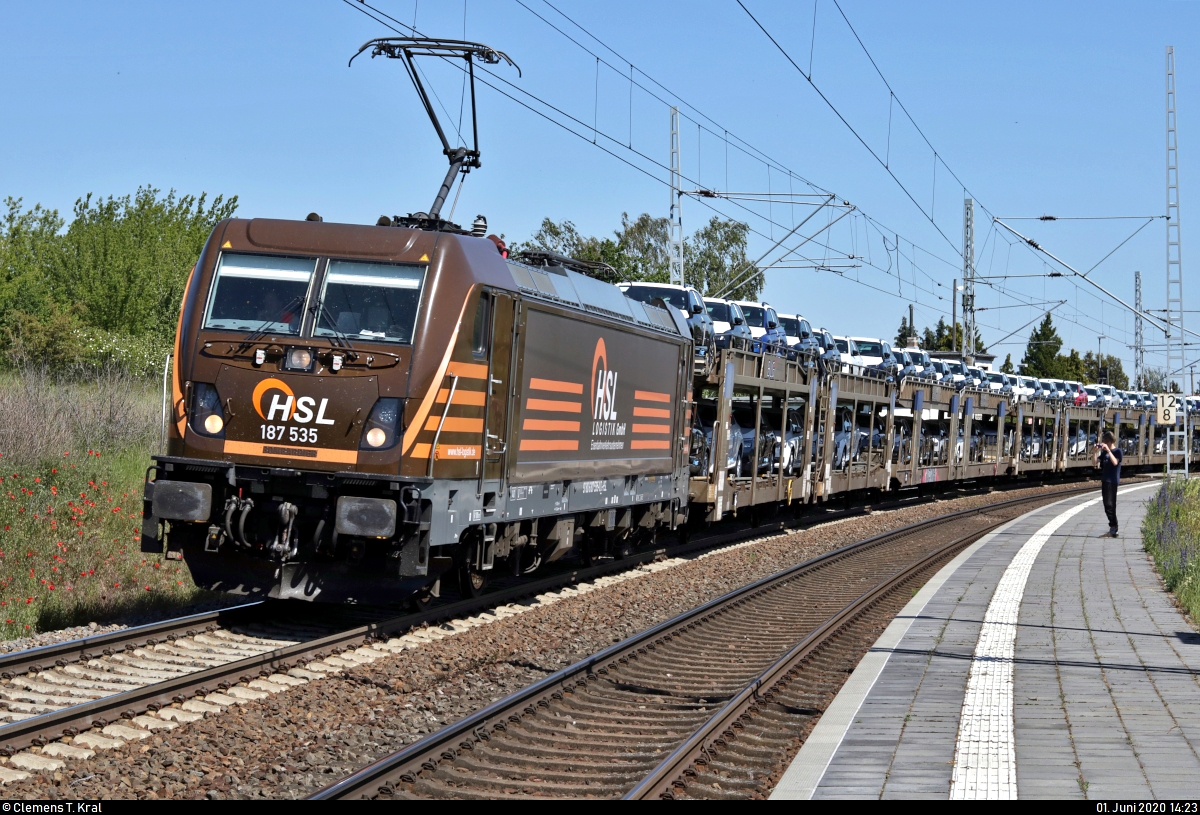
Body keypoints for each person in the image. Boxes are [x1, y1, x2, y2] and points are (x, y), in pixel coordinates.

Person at [1094, 430, 1122, 537]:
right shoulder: (1104, 453)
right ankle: (1113, 527)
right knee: (1107, 505)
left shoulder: (1117, 451)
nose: (1103, 444)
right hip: (1105, 480)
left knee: (1111, 505)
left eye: (1104, 441)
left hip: (1112, 481)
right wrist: (1094, 452)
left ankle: (1114, 527)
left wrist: (1109, 451)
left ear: (1109, 441)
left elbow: (1115, 463)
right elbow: (1094, 462)